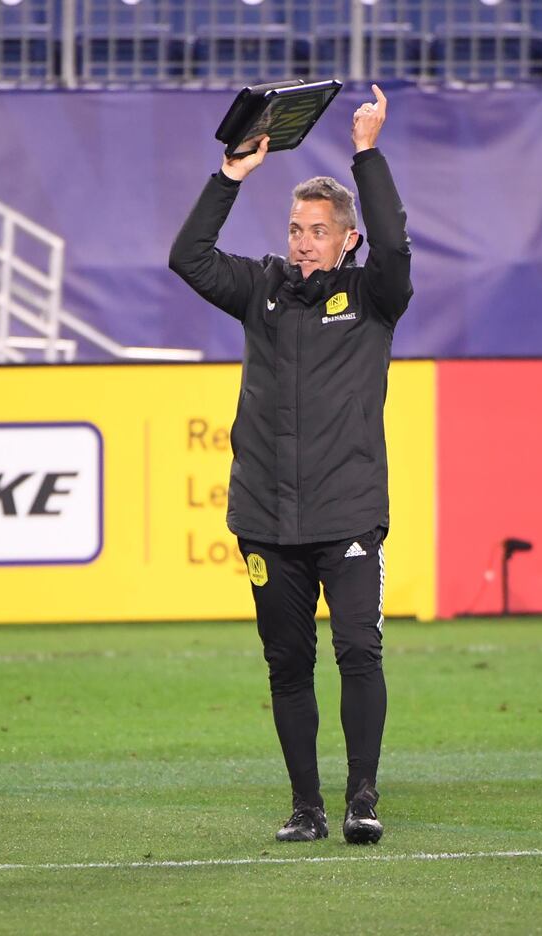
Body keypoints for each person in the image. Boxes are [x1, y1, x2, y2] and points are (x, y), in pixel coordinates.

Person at [169, 84, 412, 845]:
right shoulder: (261, 289)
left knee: (358, 650)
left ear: (346, 241)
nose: (302, 241)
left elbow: (397, 248)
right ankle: (307, 807)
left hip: (346, 513)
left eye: (317, 230)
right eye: (295, 227)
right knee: (287, 665)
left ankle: (361, 798)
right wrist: (230, 176)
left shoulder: (372, 297)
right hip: (267, 519)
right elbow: (188, 258)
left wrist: (366, 156)